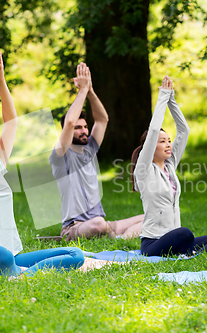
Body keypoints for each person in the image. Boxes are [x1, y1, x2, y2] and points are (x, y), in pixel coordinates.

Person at [0, 45, 84, 281]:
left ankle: (20, 274)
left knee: (75, 253)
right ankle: (21, 275)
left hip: (10, 257)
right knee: (0, 254)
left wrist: (1, 79)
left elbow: (11, 122)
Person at [49, 62, 144, 241]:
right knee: (99, 224)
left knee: (151, 217)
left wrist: (90, 90)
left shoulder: (90, 149)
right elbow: (69, 122)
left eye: (85, 126)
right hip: (74, 228)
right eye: (78, 128)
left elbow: (102, 120)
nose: (84, 130)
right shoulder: (60, 156)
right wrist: (82, 91)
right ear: (67, 132)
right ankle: (114, 234)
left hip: (99, 222)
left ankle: (118, 238)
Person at [131, 75, 207, 257]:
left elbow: (184, 130)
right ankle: (191, 251)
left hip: (176, 240)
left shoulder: (170, 165)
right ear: (150, 146)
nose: (168, 145)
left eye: (169, 141)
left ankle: (191, 251)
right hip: (153, 243)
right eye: (162, 142)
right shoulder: (144, 169)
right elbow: (154, 130)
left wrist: (171, 99)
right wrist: (162, 96)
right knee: (185, 233)